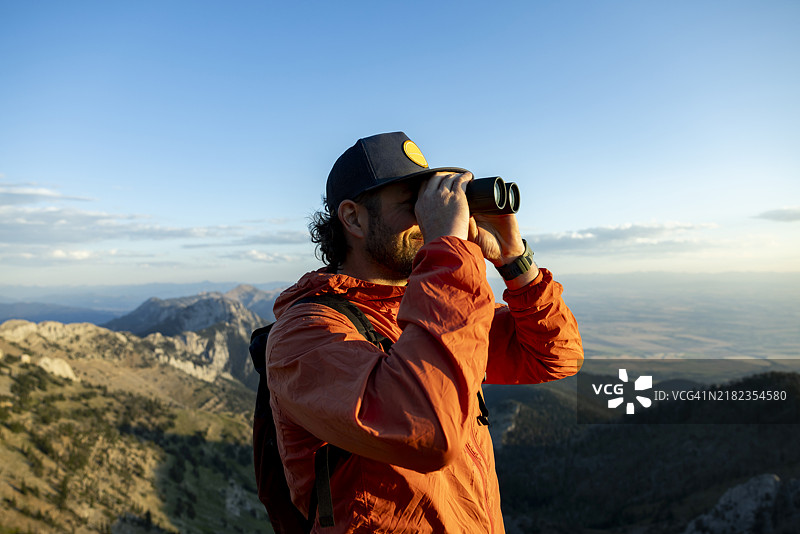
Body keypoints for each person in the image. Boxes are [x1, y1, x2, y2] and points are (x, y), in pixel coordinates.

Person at [265, 131, 583, 533]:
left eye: (429, 202)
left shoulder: (430, 305)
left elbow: (555, 356)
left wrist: (514, 261)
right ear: (353, 218)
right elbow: (429, 430)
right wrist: (448, 246)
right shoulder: (306, 334)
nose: (426, 217)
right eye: (411, 203)